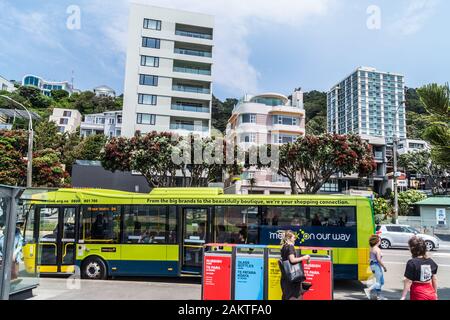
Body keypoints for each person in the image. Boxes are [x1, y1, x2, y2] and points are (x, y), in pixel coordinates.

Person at [279, 230, 311, 300]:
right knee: (294, 296)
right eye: (294, 237)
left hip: (285, 277)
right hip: (292, 278)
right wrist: (304, 257)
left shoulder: (284, 247)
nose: (295, 239)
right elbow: (292, 260)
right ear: (289, 238)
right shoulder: (290, 247)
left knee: (287, 296)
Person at [364, 235, 388, 300]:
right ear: (377, 241)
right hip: (376, 265)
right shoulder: (377, 249)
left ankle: (378, 296)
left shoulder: (371, 248)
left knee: (379, 281)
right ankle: (368, 290)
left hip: (372, 265)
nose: (380, 241)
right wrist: (384, 267)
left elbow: (370, 258)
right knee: (380, 282)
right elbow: (379, 259)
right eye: (380, 240)